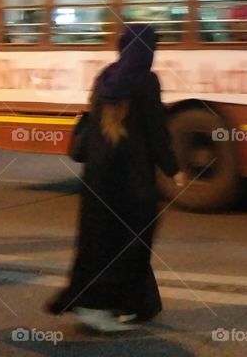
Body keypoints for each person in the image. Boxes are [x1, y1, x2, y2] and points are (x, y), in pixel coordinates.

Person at [46, 24, 187, 332]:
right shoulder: (146, 81)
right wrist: (174, 169)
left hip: (98, 179)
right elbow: (156, 132)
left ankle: (129, 304)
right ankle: (108, 306)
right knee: (132, 244)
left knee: (99, 241)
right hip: (133, 182)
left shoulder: (105, 78)